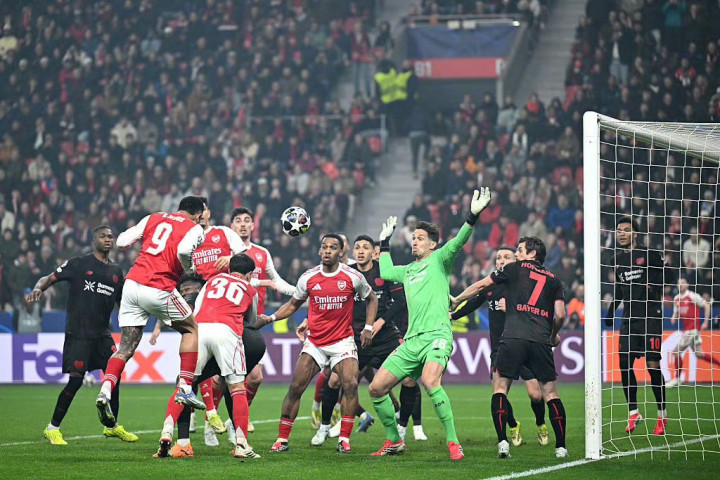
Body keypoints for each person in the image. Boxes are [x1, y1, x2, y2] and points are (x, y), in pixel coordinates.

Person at [367, 187, 491, 461]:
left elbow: (459, 241)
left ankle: (453, 442)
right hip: (412, 341)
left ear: (433, 245)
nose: (415, 242)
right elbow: (385, 271)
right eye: (413, 238)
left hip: (437, 335)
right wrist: (384, 242)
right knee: (376, 388)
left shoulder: (440, 260)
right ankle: (394, 440)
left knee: (430, 380)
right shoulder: (408, 270)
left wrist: (472, 216)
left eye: (420, 239)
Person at [96, 196, 207, 437]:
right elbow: (184, 251)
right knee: (191, 329)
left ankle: (105, 390)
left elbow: (122, 241)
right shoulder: (195, 228)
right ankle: (185, 387)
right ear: (199, 215)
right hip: (159, 286)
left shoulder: (153, 217)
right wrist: (189, 268)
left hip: (132, 284)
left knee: (125, 348)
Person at [257, 233, 378, 454]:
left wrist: (369, 327)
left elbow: (372, 299)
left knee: (351, 385)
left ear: (341, 252)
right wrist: (270, 318)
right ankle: (282, 439)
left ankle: (344, 439)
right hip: (316, 343)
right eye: (325, 246)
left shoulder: (353, 277)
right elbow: (293, 304)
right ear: (320, 251)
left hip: (342, 342)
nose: (328, 250)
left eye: (333, 247)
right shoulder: (308, 277)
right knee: (295, 387)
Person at [452, 237, 568, 459]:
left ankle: (503, 443)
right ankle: (561, 447)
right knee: (551, 394)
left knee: (500, 389)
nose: (516, 254)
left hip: (513, 338)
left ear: (532, 254)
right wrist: (553, 336)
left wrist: (457, 299)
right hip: (540, 340)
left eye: (520, 250)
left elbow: (481, 285)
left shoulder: (513, 270)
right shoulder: (555, 280)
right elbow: (561, 315)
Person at [26, 226, 137, 445]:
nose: (108, 239)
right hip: (78, 332)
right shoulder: (78, 264)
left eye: (110, 236)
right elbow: (48, 278)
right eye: (103, 236)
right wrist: (38, 288)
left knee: (114, 375)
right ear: (94, 240)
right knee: (76, 381)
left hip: (102, 334)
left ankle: (111, 426)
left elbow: (123, 303)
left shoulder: (116, 271)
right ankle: (52, 428)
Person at [310, 234, 415, 446]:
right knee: (335, 381)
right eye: (357, 247)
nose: (360, 251)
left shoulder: (384, 272)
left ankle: (403, 427)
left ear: (372, 252)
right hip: (357, 339)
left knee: (409, 379)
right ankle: (324, 428)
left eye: (365, 247)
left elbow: (400, 301)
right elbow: (330, 301)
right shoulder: (347, 273)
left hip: (386, 336)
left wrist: (381, 321)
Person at [154, 254, 261, 459]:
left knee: (185, 384)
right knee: (237, 388)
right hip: (227, 331)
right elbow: (251, 320)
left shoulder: (212, 280)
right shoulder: (250, 289)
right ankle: (241, 444)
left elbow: (199, 308)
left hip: (201, 329)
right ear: (249, 274)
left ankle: (167, 432)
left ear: (230, 268)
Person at [604, 216, 675, 435]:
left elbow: (670, 276)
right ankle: (633, 412)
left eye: (626, 230)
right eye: (619, 230)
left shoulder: (650, 254)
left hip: (650, 317)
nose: (622, 234)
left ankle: (662, 414)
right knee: (624, 363)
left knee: (652, 365)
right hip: (629, 319)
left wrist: (653, 286)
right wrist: (611, 311)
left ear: (635, 233)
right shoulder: (617, 260)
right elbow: (619, 289)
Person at [229, 206, 296, 433]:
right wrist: (260, 283)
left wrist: (300, 291)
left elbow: (276, 281)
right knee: (220, 379)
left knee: (255, 377)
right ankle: (211, 420)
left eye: (247, 220)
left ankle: (238, 416)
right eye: (238, 220)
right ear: (232, 226)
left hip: (252, 322)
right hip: (229, 319)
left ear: (253, 225)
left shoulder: (261, 253)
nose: (243, 224)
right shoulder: (226, 253)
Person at [667, 277, 720, 387]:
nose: (680, 285)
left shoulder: (692, 296)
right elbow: (677, 313)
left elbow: (706, 305)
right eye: (679, 283)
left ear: (687, 284)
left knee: (676, 352)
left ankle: (677, 379)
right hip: (687, 330)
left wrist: (705, 322)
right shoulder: (676, 299)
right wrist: (674, 317)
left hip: (693, 329)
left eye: (683, 283)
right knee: (699, 354)